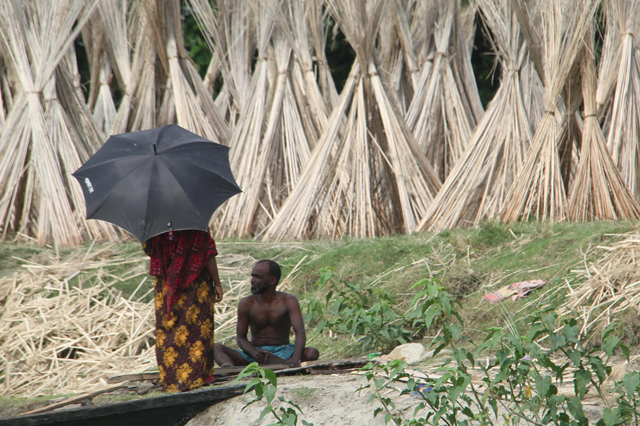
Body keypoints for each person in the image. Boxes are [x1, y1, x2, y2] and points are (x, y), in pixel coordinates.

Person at [143, 229, 223, 392]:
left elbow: (149, 250)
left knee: (168, 329)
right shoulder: (195, 224)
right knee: (197, 329)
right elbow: (208, 254)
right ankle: (196, 377)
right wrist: (217, 284)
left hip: (165, 285)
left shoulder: (155, 226)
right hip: (195, 283)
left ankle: (171, 380)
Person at [214, 260, 319, 368]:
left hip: (284, 353)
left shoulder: (288, 300)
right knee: (216, 347)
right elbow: (241, 338)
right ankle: (229, 368)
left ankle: (283, 364)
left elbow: (300, 332)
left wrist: (296, 358)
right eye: (252, 276)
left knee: (312, 353)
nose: (252, 280)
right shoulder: (246, 303)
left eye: (257, 277)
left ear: (272, 280)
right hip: (255, 355)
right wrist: (255, 353)